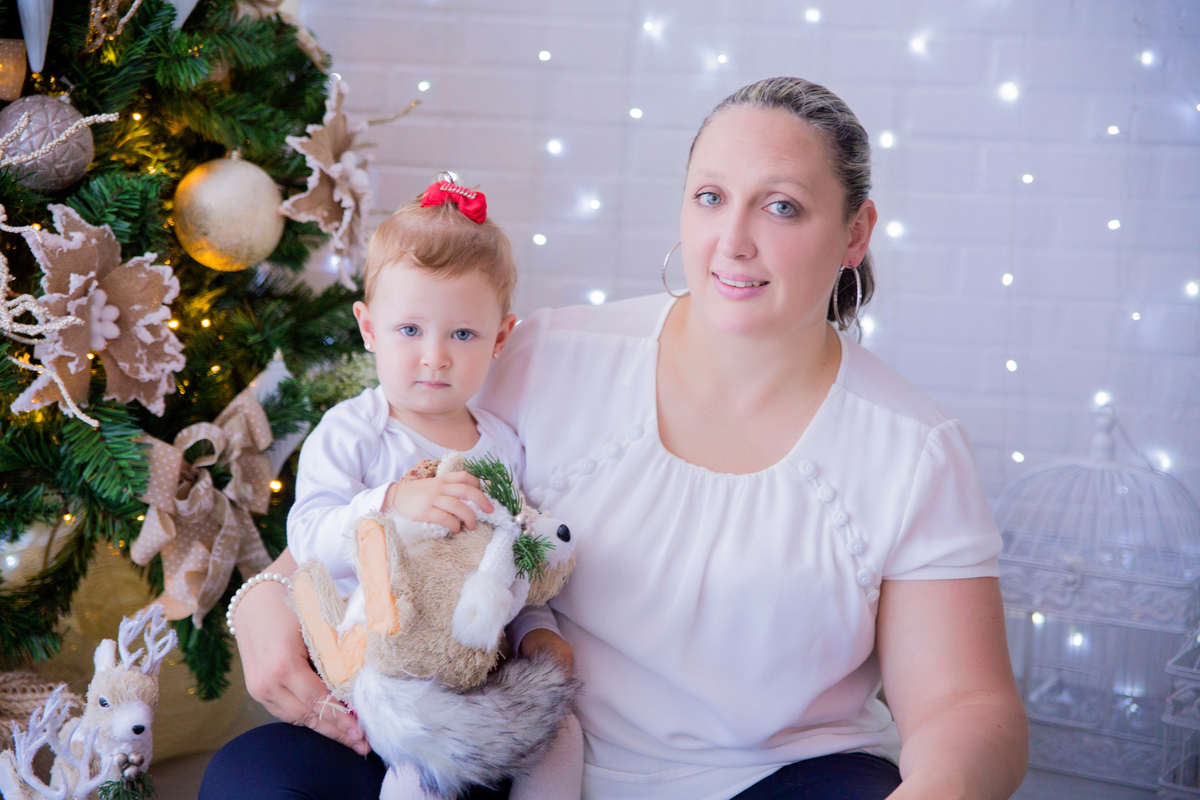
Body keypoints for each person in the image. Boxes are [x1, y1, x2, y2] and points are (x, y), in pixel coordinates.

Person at [202, 77, 1028, 800]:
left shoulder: (911, 448)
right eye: (711, 198)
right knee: (257, 778)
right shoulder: (547, 357)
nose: (733, 240)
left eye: (781, 206)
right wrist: (259, 602)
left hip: (770, 781)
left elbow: (965, 704)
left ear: (855, 233)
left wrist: (945, 786)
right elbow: (386, 512)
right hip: (519, 750)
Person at [272, 178, 584, 800]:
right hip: (374, 666)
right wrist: (386, 505)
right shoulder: (353, 431)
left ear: (500, 339)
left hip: (470, 664)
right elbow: (307, 539)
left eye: (462, 335)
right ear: (368, 328)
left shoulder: (501, 446)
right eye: (410, 330)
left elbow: (511, 558)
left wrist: (535, 632)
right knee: (417, 774)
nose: (434, 357)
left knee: (562, 735)